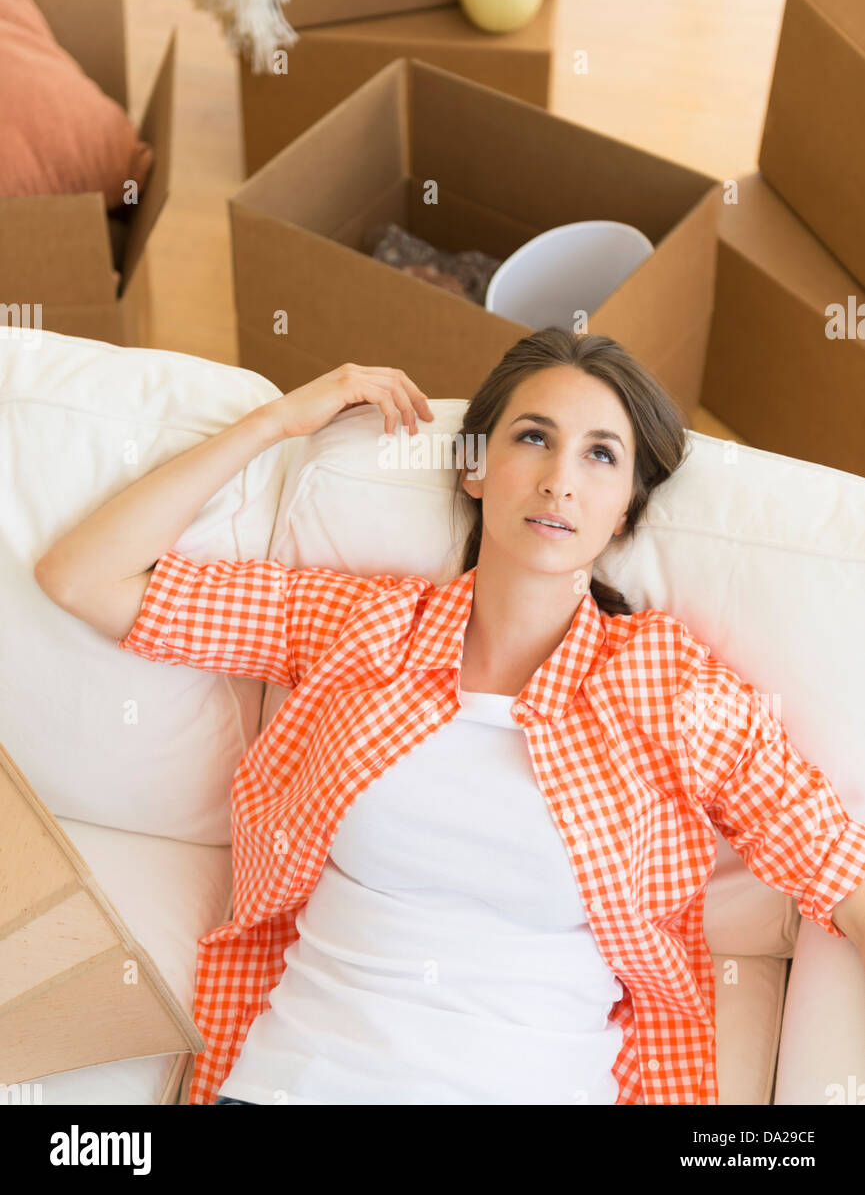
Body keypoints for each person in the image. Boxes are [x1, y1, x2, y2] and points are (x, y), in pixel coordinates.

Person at [34, 328, 865, 1106]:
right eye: (531, 437)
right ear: (474, 469)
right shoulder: (363, 628)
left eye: (599, 455)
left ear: (625, 512)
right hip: (299, 1083)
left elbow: (837, 870)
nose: (559, 480)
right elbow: (82, 577)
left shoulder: (668, 684)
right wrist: (278, 420)